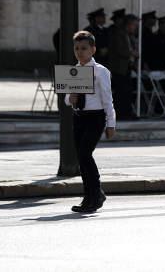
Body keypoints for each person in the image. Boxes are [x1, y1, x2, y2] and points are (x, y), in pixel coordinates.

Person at [65, 31, 116, 213]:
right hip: (79, 117)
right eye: (77, 48)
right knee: (81, 158)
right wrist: (70, 98)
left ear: (93, 50)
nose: (80, 52)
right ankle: (90, 195)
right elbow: (66, 99)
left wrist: (111, 123)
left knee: (86, 154)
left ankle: (95, 195)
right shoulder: (74, 70)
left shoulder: (100, 71)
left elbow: (107, 99)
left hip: (95, 117)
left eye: (84, 48)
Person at [108, 13, 139, 120]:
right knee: (121, 91)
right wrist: (131, 53)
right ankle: (119, 113)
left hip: (127, 68)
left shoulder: (129, 36)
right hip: (119, 68)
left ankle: (127, 112)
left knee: (127, 91)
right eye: (134, 25)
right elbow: (120, 50)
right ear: (128, 24)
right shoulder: (119, 34)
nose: (135, 28)